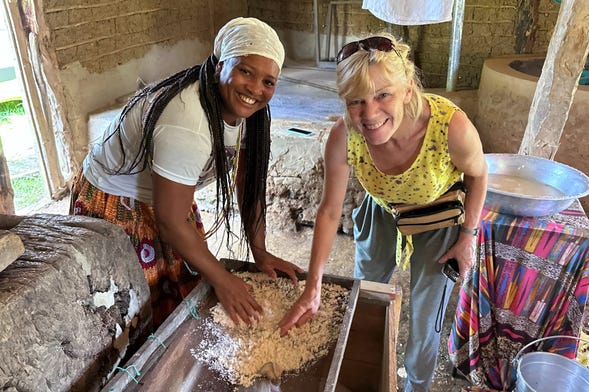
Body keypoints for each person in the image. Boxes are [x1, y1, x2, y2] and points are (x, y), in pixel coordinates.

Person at [279, 34, 487, 391]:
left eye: (383, 95)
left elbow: (479, 173)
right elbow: (329, 211)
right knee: (364, 293)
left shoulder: (450, 128)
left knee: (425, 318)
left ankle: (415, 386)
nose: (370, 114)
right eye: (355, 101)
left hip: (437, 217)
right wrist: (314, 284)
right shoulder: (344, 136)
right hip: (382, 212)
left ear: (407, 88)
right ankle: (361, 370)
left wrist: (468, 235)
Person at [70, 17, 303, 328]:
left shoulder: (251, 115)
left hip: (168, 200)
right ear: (220, 66)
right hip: (117, 205)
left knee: (183, 293)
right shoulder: (188, 119)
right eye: (245, 71)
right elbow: (169, 220)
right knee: (135, 313)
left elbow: (247, 183)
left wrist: (259, 251)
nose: (255, 89)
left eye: (268, 81)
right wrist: (223, 279)